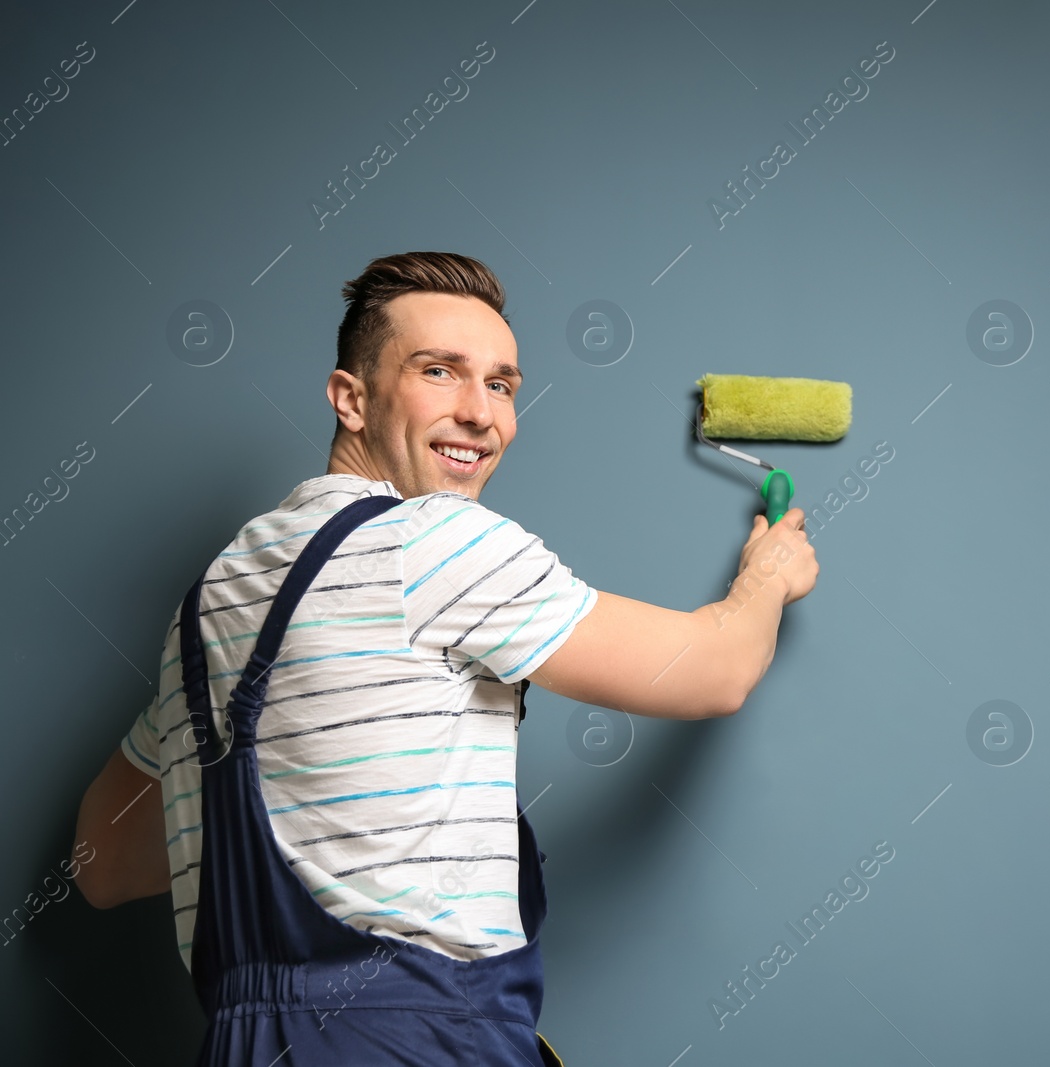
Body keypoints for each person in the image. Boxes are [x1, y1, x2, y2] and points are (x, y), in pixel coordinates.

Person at [71, 251, 817, 1064]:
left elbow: (101, 865)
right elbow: (714, 669)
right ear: (350, 398)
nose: (480, 412)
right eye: (440, 372)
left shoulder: (208, 605)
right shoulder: (434, 540)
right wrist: (768, 578)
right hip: (419, 1035)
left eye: (501, 384)